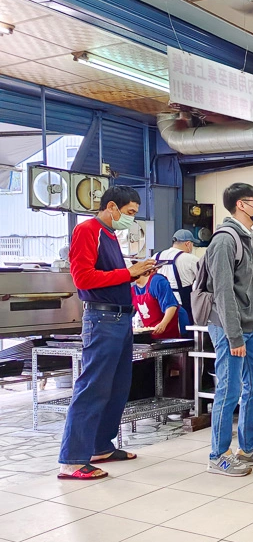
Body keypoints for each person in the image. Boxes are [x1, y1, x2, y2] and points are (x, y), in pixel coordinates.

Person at [58, 186, 155, 479]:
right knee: (93, 387)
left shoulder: (111, 235)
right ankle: (72, 459)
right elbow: (83, 277)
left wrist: (136, 275)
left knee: (117, 386)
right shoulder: (88, 230)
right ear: (111, 206)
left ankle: (101, 445)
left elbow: (109, 277)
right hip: (102, 319)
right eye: (129, 213)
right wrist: (129, 273)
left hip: (121, 318)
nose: (131, 219)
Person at [204, 183, 253, 477]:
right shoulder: (224, 240)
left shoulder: (245, 237)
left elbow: (247, 287)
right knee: (229, 390)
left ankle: (247, 448)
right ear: (240, 205)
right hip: (229, 329)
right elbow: (223, 292)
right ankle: (218, 454)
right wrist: (234, 335)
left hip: (252, 327)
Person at [131, 267, 190, 339]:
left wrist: (163, 324)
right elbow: (131, 309)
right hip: (153, 330)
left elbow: (171, 306)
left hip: (173, 326)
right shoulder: (132, 288)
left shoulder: (157, 281)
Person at [157, 229, 199, 323]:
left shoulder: (156, 256)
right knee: (185, 333)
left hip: (159, 303)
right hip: (181, 303)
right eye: (193, 244)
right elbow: (205, 278)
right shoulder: (190, 258)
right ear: (188, 244)